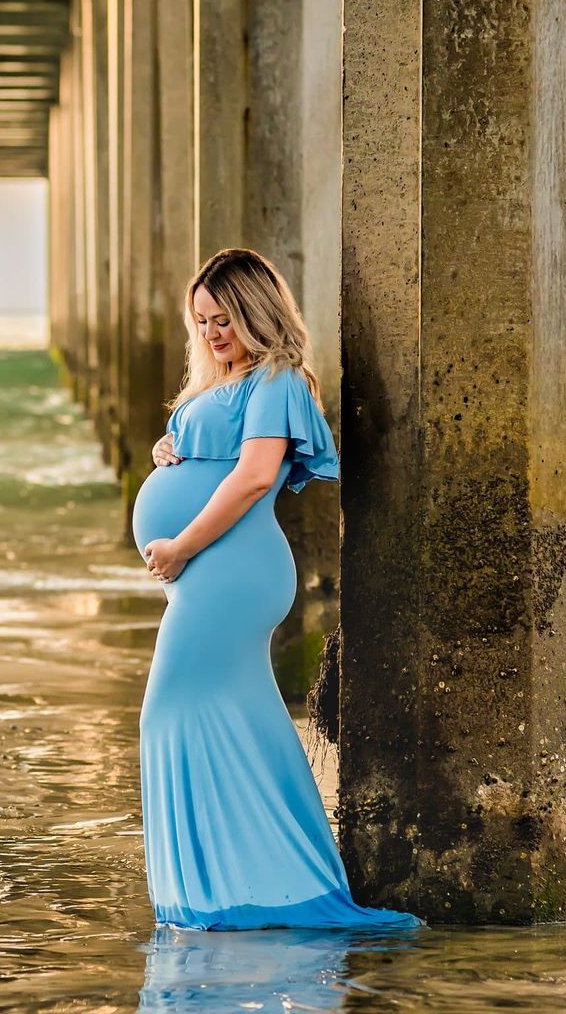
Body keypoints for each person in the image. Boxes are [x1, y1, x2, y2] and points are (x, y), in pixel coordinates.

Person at [131, 247, 423, 932]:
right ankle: (249, 884)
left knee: (169, 716)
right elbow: (205, 449)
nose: (212, 333)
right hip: (209, 573)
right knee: (243, 721)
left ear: (258, 311)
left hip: (231, 572)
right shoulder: (220, 383)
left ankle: (237, 887)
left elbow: (256, 476)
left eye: (225, 318)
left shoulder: (277, 379)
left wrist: (180, 544)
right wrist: (165, 450)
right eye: (201, 321)